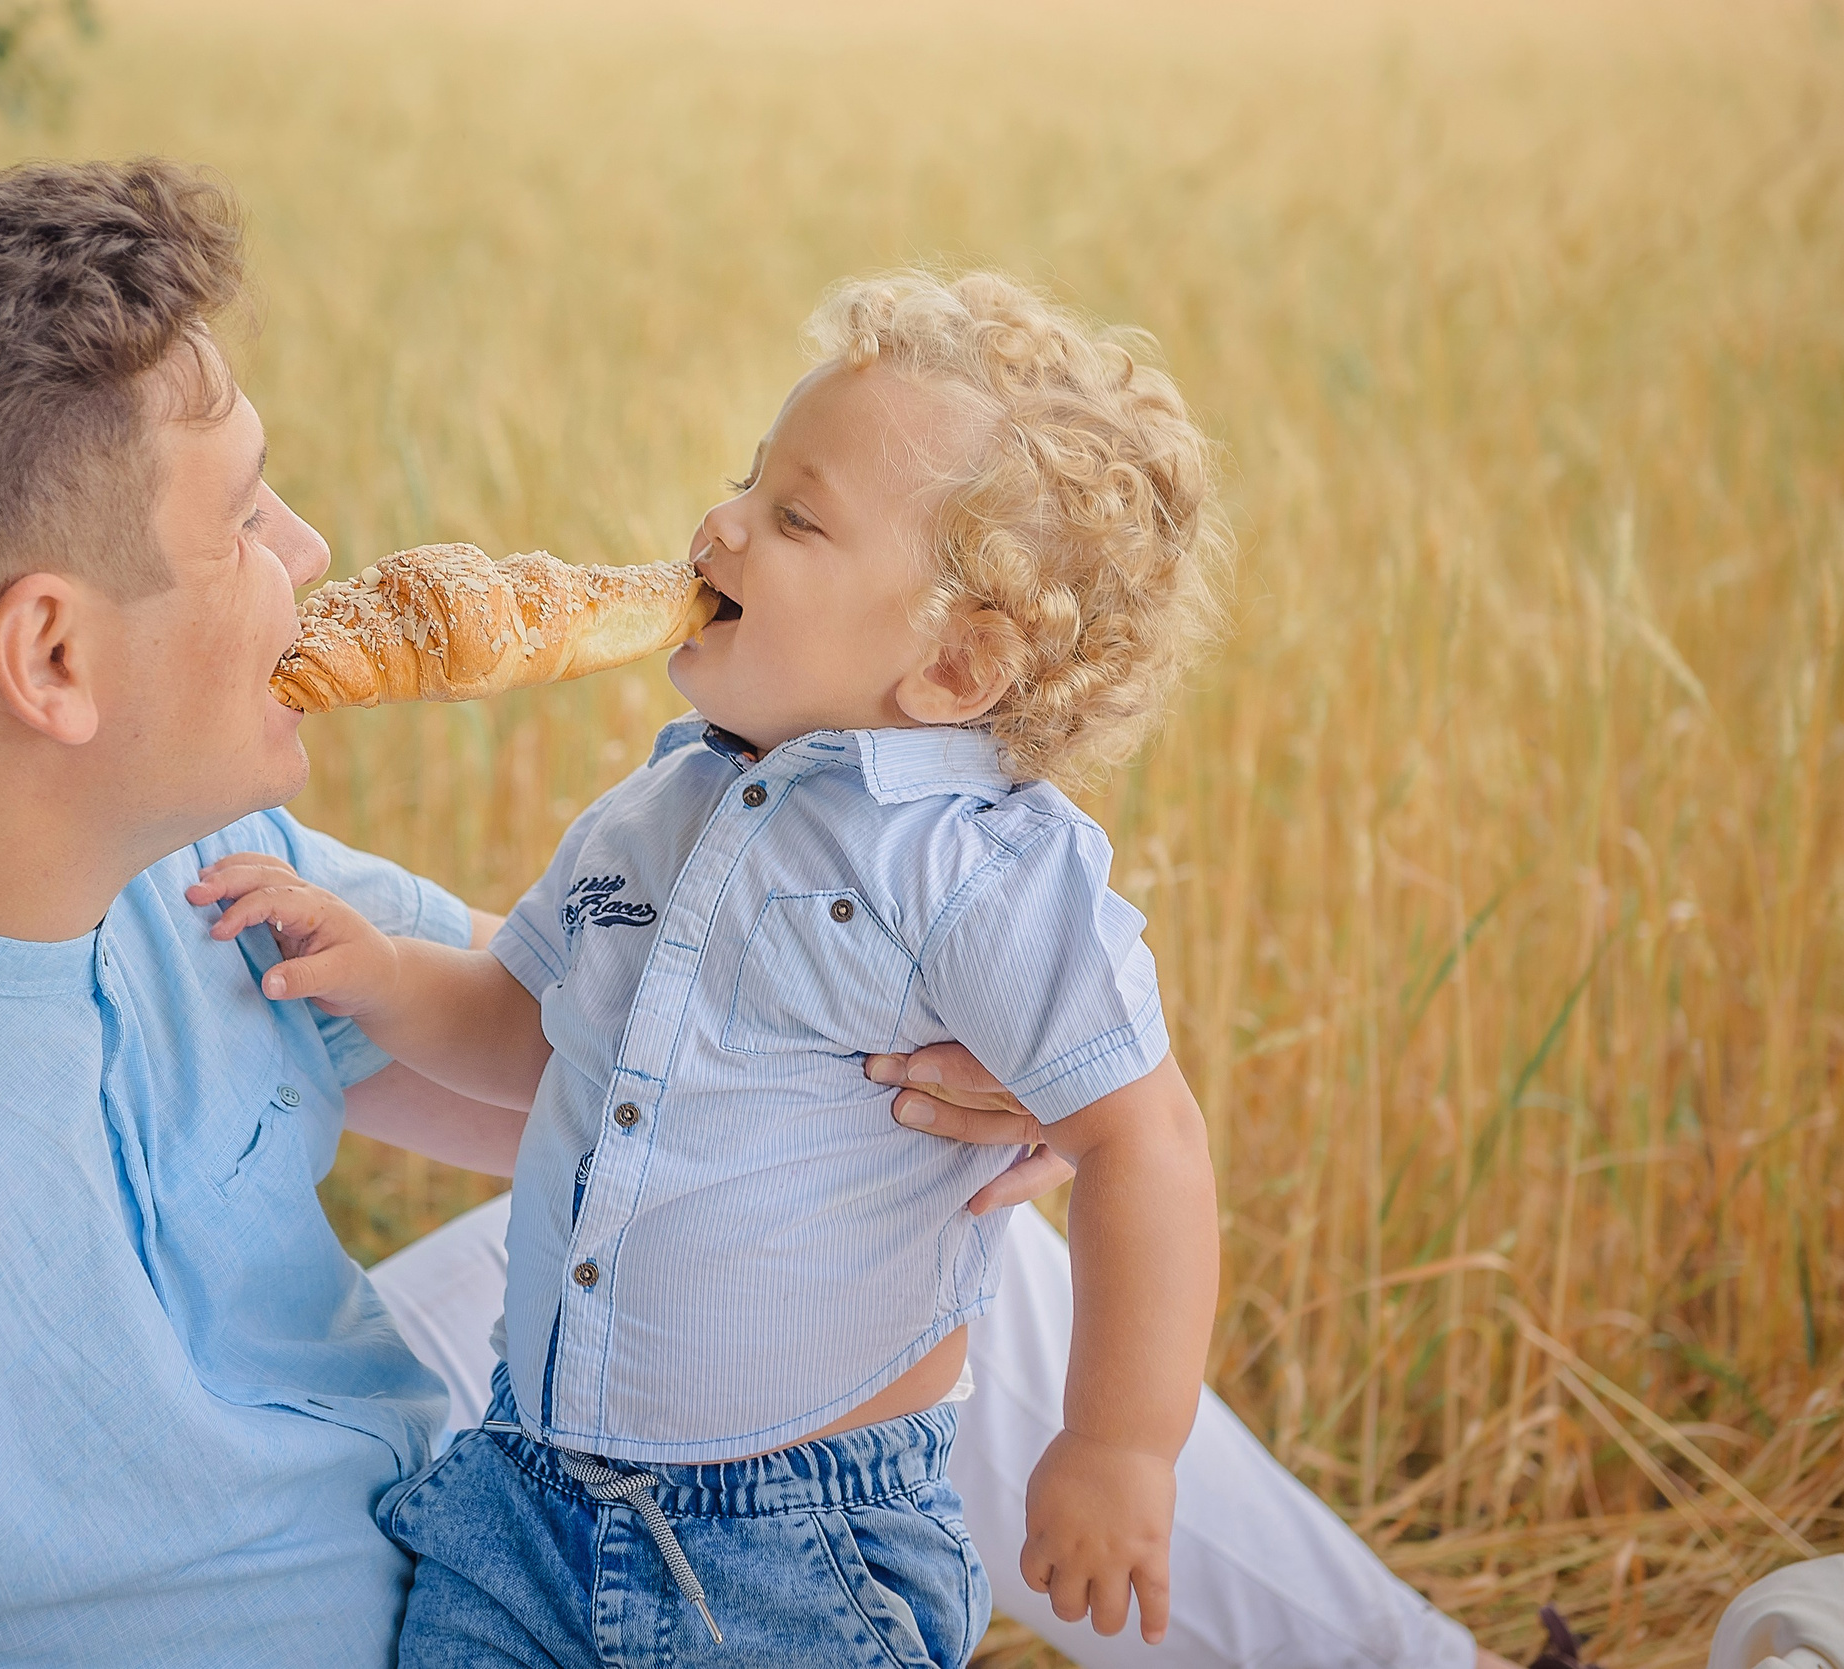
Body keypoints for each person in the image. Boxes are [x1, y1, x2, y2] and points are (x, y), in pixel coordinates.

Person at [0, 158, 1506, 1669]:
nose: (319, 554)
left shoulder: (70, 827)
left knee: (975, 1279)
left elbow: (575, 1061)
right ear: (52, 656)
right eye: (242, 518)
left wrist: (943, 1089)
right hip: (440, 1587)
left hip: (453, 1491)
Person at [189, 269, 1223, 1666]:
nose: (720, 524)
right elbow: (534, 1034)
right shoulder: (658, 808)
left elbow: (1144, 1137)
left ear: (956, 665)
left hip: (792, 1539)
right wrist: (379, 974)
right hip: (526, 1488)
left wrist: (1118, 1445)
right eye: (749, 481)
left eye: (795, 517)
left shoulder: (979, 866)